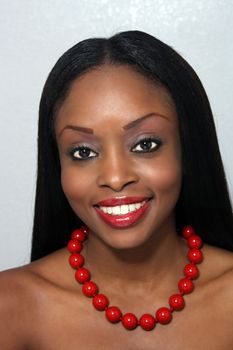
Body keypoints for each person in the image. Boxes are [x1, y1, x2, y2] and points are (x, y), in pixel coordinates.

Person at [0, 30, 233, 349]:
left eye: (146, 144)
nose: (115, 176)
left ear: (187, 148)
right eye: (83, 152)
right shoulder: (10, 306)